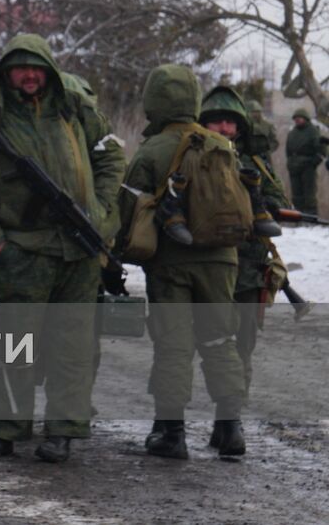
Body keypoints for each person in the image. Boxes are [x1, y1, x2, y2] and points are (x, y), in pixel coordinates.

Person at [0, 35, 123, 464]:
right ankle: (5, 429)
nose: (29, 76)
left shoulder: (76, 109)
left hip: (79, 251)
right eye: (19, 68)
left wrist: (103, 214)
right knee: (16, 344)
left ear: (49, 70)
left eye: (37, 68)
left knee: (72, 345)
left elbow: (110, 157)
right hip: (23, 251)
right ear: (5, 73)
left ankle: (63, 431)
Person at [119, 65, 246, 460]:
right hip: (222, 261)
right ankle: (231, 428)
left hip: (171, 263)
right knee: (219, 338)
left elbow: (127, 210)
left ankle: (170, 432)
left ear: (154, 101)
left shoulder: (152, 150)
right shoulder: (221, 146)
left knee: (173, 345)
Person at [199, 85, 286, 417]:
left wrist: (259, 204)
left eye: (230, 123)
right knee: (193, 345)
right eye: (217, 121)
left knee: (242, 346)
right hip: (201, 270)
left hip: (247, 269)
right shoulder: (190, 157)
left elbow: (279, 205)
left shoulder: (255, 164)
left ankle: (230, 416)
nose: (224, 129)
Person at [285, 108, 322, 213]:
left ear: (305, 118)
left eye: (299, 118)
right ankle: (298, 218)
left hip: (308, 167)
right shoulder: (292, 133)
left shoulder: (313, 131)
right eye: (295, 118)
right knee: (296, 195)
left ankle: (311, 219)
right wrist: (290, 163)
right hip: (294, 167)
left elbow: (321, 150)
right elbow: (288, 150)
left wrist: (313, 163)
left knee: (309, 195)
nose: (297, 120)